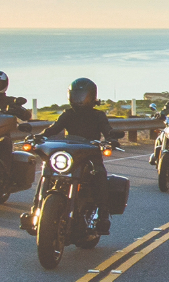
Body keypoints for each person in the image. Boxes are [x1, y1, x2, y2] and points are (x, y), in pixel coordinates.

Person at [38, 77, 116, 234]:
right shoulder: (68, 114)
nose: (79, 99)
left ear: (91, 96)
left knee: (100, 174)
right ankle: (37, 209)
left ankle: (103, 216)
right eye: (76, 95)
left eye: (82, 95)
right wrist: (38, 136)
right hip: (70, 155)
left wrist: (111, 139)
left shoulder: (98, 115)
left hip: (90, 155)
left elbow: (107, 129)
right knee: (47, 170)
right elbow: (54, 129)